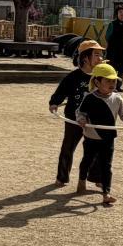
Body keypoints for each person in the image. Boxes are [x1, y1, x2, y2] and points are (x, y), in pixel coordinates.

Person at [75, 63, 123, 207]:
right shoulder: (89, 98)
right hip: (91, 137)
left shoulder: (117, 98)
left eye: (114, 80)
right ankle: (82, 180)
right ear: (97, 82)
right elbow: (80, 112)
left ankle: (106, 193)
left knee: (106, 165)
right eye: (108, 80)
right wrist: (81, 119)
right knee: (87, 160)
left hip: (108, 138)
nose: (112, 83)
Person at [48, 40, 104, 186]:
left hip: (94, 119)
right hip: (74, 118)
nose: (100, 58)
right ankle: (62, 177)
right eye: (96, 55)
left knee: (97, 149)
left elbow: (112, 94)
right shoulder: (73, 77)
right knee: (68, 148)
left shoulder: (101, 76)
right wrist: (54, 102)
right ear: (85, 58)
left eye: (101, 55)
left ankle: (97, 178)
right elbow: (61, 92)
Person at [105, 4, 123, 89]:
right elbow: (107, 36)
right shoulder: (112, 24)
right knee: (112, 68)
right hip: (113, 50)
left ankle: (118, 86)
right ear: (117, 13)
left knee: (122, 69)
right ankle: (111, 86)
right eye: (120, 12)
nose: (122, 13)